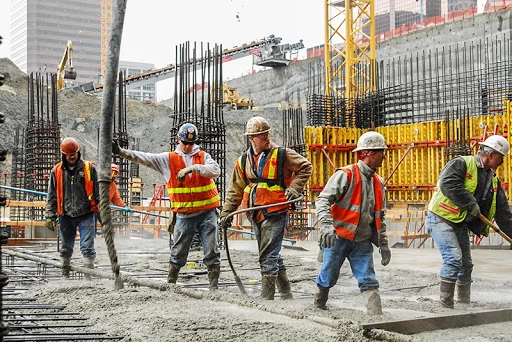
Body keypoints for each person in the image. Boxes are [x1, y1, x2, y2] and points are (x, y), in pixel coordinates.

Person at [112, 123, 222, 291]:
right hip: (184, 215)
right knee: (178, 251)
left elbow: (215, 170)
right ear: (179, 140)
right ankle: (171, 284)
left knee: (211, 251)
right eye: (185, 142)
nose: (187, 146)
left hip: (207, 213)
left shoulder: (202, 156)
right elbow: (143, 157)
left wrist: (194, 168)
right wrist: (121, 152)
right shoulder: (168, 159)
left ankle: (214, 288)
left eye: (191, 143)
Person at [220, 116, 312, 300]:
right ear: (252, 138)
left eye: (267, 133)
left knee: (267, 256)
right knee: (272, 255)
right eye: (262, 135)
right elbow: (235, 190)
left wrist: (294, 188)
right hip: (255, 213)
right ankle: (286, 293)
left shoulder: (282, 154)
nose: (267, 137)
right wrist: (227, 213)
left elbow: (305, 166)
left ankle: (267, 298)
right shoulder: (243, 161)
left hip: (275, 210)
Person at [426, 134, 512, 308]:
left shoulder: (493, 181)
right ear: (491, 155)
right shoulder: (462, 163)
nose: (502, 162)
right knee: (453, 258)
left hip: (459, 223)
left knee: (466, 264)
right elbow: (448, 184)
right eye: (501, 157)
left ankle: (464, 304)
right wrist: (470, 203)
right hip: (440, 218)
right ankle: (446, 305)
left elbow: (503, 214)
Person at [314, 131, 391, 315]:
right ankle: (318, 305)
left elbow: (380, 217)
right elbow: (323, 200)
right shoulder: (346, 175)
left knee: (368, 279)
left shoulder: (378, 182)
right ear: (369, 153)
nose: (384, 156)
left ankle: (376, 315)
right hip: (338, 238)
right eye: (381, 152)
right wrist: (326, 226)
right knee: (328, 276)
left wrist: (384, 243)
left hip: (362, 241)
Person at [45, 137, 100, 279]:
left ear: (78, 152)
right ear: (63, 154)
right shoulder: (57, 171)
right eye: (69, 154)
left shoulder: (89, 169)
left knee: (87, 247)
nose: (72, 156)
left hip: (86, 214)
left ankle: (88, 277)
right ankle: (65, 275)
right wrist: (50, 215)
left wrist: (102, 215)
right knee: (65, 248)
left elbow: (98, 193)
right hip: (65, 215)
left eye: (74, 153)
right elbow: (51, 195)